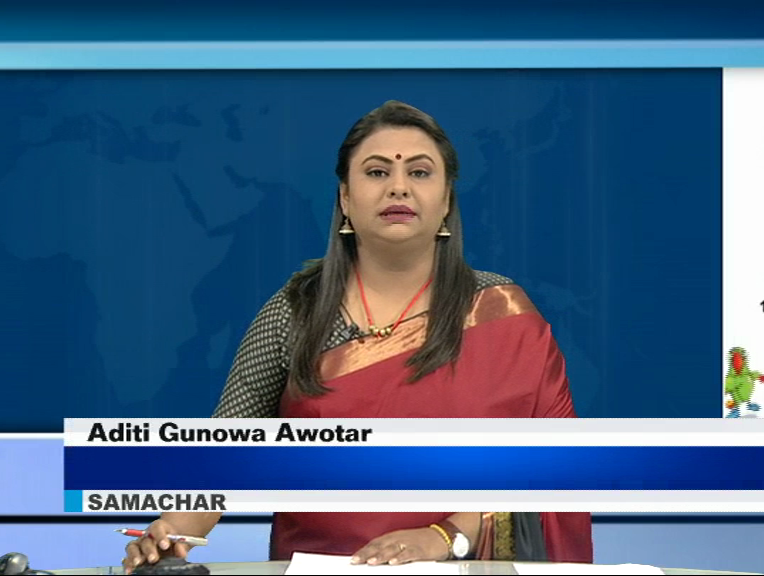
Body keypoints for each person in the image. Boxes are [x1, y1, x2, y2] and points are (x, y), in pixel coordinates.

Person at [122, 100, 593, 574]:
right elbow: (225, 457)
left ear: (447, 199)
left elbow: (556, 472)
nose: (399, 186)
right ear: (346, 198)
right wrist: (170, 532)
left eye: (420, 172)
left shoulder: (503, 313)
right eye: (376, 172)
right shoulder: (295, 312)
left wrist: (445, 536)